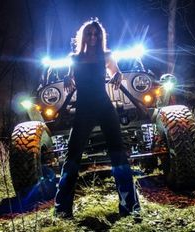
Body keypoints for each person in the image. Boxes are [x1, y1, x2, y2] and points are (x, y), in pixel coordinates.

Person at [54, 18, 141, 220]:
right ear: (83, 36)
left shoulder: (107, 55)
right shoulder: (74, 58)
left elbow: (116, 72)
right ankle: (62, 210)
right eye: (90, 34)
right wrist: (68, 78)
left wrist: (118, 75)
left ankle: (129, 206)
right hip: (83, 109)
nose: (93, 37)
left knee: (118, 153)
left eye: (96, 34)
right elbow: (71, 78)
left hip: (104, 106)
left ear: (100, 37)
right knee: (72, 156)